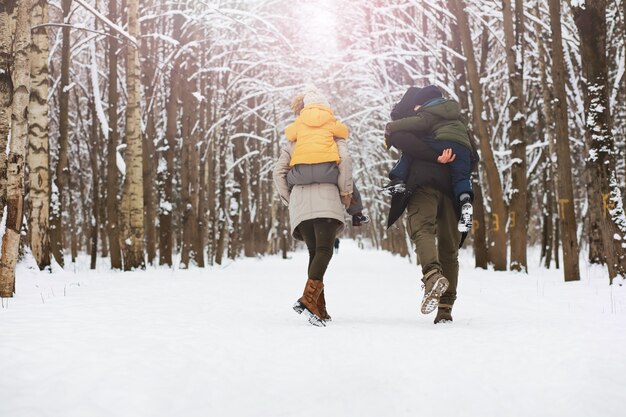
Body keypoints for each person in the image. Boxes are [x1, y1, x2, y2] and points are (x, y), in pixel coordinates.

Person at [273, 88, 354, 327]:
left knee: (314, 252)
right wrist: (345, 192)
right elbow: (346, 162)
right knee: (325, 250)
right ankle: (308, 300)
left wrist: (290, 199)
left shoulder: (294, 139)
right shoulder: (333, 135)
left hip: (299, 199)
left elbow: (279, 172)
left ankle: (319, 308)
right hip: (326, 199)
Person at [383, 89, 463, 324]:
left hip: (422, 182)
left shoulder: (417, 121)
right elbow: (472, 155)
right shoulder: (457, 122)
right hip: (451, 185)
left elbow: (399, 136)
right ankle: (446, 308)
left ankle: (432, 275)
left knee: (422, 229)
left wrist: (432, 154)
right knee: (449, 246)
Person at [383, 85, 475, 233]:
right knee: (461, 178)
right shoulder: (455, 113)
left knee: (412, 148)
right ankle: (465, 200)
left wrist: (391, 126)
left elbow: (417, 123)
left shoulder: (430, 112)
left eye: (417, 105)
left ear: (425, 102)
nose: (415, 109)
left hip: (443, 142)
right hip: (464, 148)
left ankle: (397, 179)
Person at [285, 86, 369, 227]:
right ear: (326, 106)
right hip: (327, 172)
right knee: (348, 181)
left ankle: (295, 204)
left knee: (287, 178)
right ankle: (356, 214)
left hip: (301, 173)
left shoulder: (299, 123)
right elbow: (344, 133)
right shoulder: (330, 120)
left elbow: (289, 134)